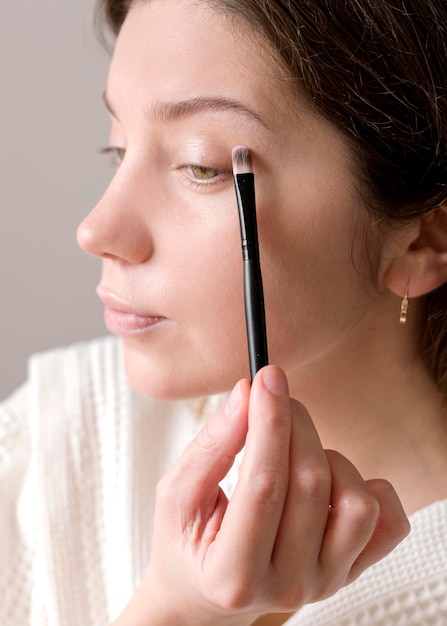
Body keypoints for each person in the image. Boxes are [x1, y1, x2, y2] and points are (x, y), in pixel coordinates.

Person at [1, 0, 447, 624]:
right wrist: (176, 612)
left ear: (423, 238)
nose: (97, 229)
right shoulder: (51, 444)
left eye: (202, 165)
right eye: (118, 148)